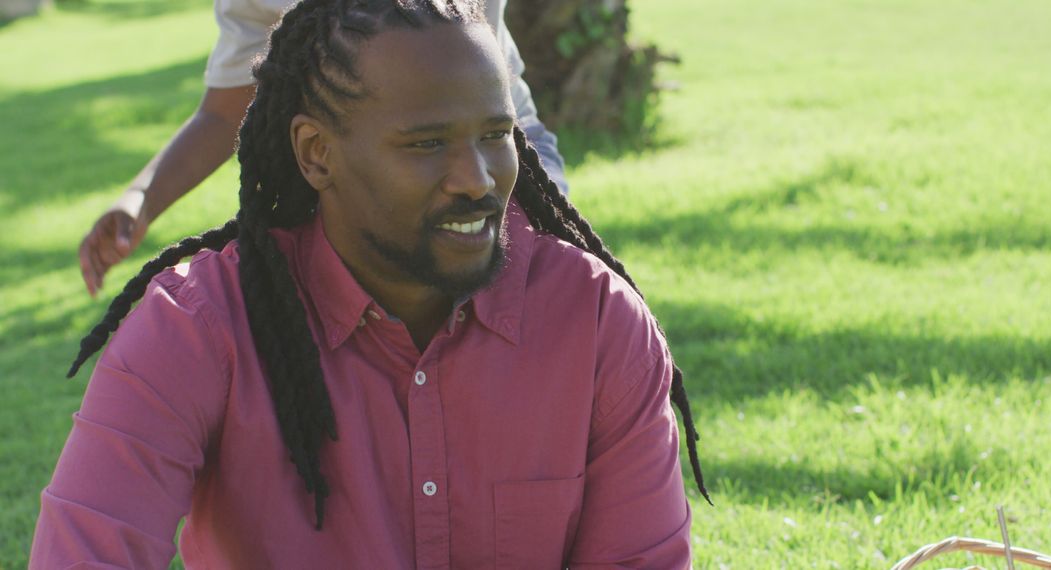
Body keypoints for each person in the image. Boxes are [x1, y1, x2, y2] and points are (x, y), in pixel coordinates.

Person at [33, 0, 708, 567]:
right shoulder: (195, 329)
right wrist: (140, 199)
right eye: (425, 144)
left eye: (494, 136)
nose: (476, 179)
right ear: (315, 153)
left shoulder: (594, 323)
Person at [77, 0, 569, 298]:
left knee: (529, 291)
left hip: (503, 148)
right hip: (356, 168)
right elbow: (225, 111)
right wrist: (141, 197)